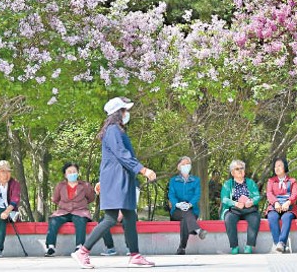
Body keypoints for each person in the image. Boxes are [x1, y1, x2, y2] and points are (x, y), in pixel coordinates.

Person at [71, 97, 157, 268]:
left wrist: (102, 180)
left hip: (119, 179)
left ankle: (135, 254)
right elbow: (122, 155)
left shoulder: (115, 130)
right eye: (125, 110)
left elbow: (110, 160)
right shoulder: (113, 130)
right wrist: (143, 170)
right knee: (110, 218)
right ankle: (82, 252)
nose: (127, 113)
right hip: (117, 180)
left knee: (130, 216)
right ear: (118, 113)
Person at [45, 162, 95, 256]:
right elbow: (55, 199)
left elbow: (91, 198)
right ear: (65, 174)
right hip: (63, 211)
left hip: (80, 211)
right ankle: (50, 247)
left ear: (77, 173)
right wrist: (64, 205)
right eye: (69, 172)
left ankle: (80, 247)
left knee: (80, 221)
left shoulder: (85, 185)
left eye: (74, 171)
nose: (72, 174)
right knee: (53, 220)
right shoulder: (60, 186)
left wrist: (80, 204)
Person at [168, 156, 208, 255]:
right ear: (178, 167)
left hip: (192, 210)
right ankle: (197, 229)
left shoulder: (196, 180)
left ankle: (181, 248)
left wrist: (190, 204)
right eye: (183, 164)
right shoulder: (173, 180)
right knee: (185, 215)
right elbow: (171, 195)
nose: (186, 166)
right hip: (177, 210)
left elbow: (197, 195)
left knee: (185, 220)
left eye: (188, 164)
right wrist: (177, 204)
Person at [220, 159, 261, 254]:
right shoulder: (227, 184)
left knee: (255, 218)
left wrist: (251, 201)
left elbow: (257, 196)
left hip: (249, 209)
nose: (240, 170)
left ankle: (249, 246)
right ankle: (234, 246)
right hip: (234, 209)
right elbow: (224, 199)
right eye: (237, 169)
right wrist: (235, 203)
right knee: (229, 218)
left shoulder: (250, 182)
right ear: (232, 172)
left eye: (242, 168)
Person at [266, 157, 297, 253]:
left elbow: (294, 194)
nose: (277, 168)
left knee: (286, 218)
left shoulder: (292, 181)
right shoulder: (271, 181)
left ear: (285, 167)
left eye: (279, 165)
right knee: (272, 217)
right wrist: (275, 202)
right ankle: (279, 244)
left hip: (289, 207)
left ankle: (281, 243)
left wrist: (288, 202)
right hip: (274, 206)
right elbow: (269, 193)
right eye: (275, 166)